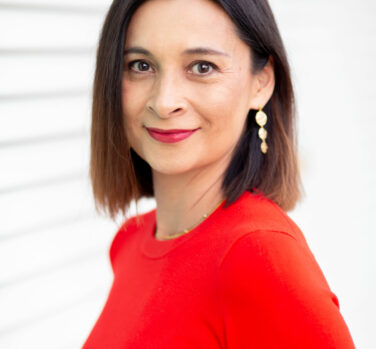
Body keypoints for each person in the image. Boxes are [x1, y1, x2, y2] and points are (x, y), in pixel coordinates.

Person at [82, 0, 356, 347]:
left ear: (261, 83)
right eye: (141, 65)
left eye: (202, 66)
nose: (164, 101)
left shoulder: (258, 257)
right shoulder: (130, 241)